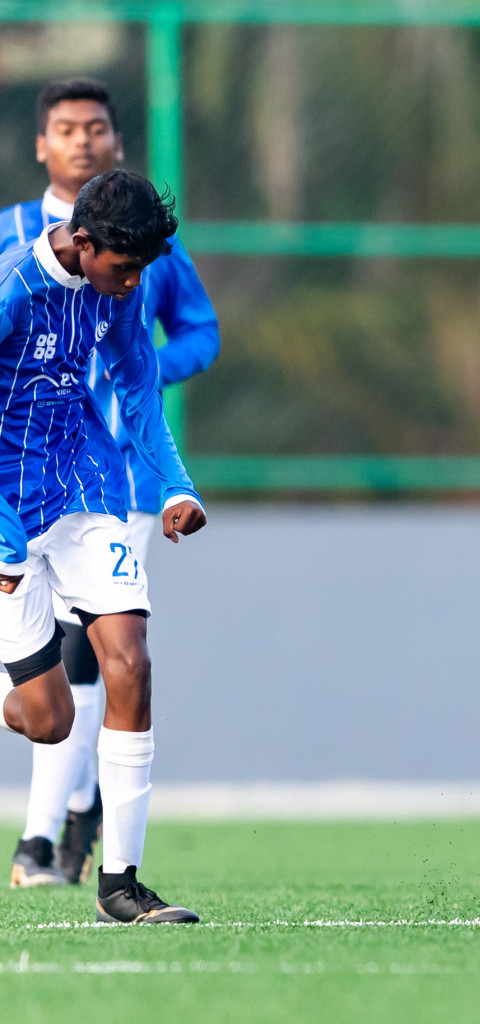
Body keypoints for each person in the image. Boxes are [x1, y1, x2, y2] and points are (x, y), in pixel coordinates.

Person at [2, 78, 219, 890]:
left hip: (92, 493)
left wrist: (174, 489)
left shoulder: (119, 283)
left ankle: (120, 883)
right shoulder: (12, 288)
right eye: (123, 271)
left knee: (128, 662)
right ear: (83, 242)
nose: (133, 289)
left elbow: (139, 391)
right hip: (9, 507)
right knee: (49, 721)